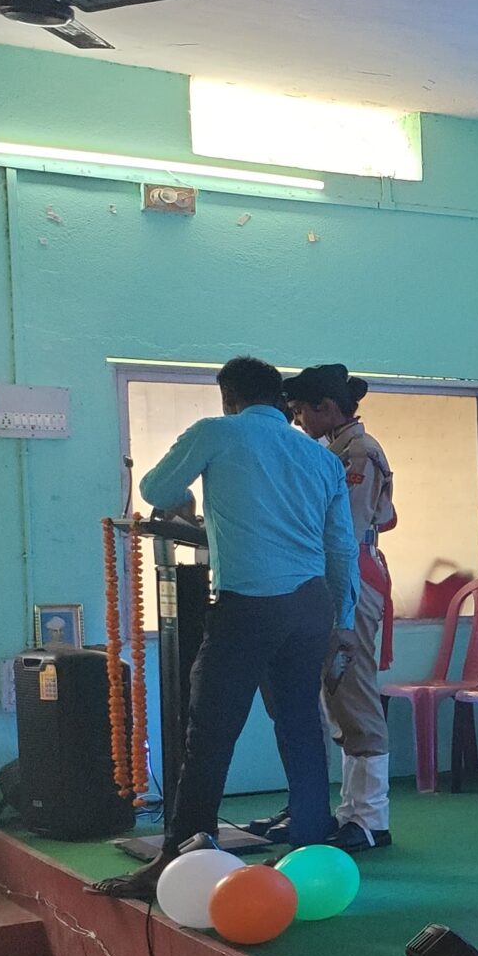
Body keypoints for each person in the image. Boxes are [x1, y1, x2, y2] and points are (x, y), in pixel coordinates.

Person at [92, 357, 354, 896]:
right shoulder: (320, 457)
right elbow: (341, 548)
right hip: (310, 606)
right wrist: (343, 620)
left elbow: (155, 487)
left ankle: (180, 858)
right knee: (301, 724)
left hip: (249, 605)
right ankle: (311, 851)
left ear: (229, 397)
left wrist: (187, 502)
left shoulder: (217, 432)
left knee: (210, 733)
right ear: (279, 400)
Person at [251, 365, 397, 852]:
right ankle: (346, 812)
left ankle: (371, 818)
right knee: (335, 698)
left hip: (350, 574)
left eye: (299, 411)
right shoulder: (332, 450)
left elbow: (344, 529)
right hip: (326, 574)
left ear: (327, 408)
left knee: (353, 693)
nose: (295, 421)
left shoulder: (358, 452)